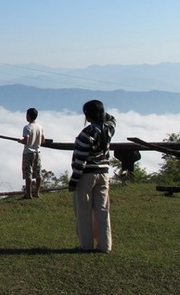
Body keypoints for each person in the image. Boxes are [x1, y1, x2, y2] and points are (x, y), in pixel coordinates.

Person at [68, 99, 116, 253]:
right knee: (102, 210)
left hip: (87, 176)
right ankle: (105, 245)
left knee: (84, 211)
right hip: (104, 174)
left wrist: (74, 181)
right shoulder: (108, 129)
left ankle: (86, 245)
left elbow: (80, 160)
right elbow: (113, 119)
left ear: (87, 116)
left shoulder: (86, 133)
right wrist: (101, 111)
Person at [18, 107, 45, 199]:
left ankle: (28, 194)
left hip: (28, 152)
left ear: (29, 116)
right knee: (38, 172)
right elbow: (43, 140)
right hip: (37, 151)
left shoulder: (27, 127)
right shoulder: (40, 127)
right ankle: (37, 192)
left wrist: (21, 141)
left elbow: (26, 141)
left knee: (28, 173)